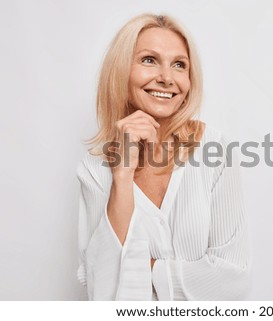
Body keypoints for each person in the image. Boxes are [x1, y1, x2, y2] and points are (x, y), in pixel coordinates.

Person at [75, 13, 250, 301]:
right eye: (149, 60)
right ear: (121, 70)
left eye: (179, 65)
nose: (167, 78)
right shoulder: (94, 168)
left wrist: (140, 270)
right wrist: (122, 176)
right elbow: (102, 291)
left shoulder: (216, 153)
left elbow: (234, 281)